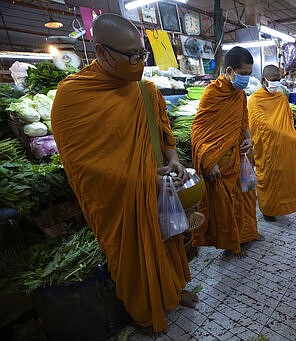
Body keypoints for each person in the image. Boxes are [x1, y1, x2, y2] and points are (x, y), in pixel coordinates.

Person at [51, 14, 196, 334]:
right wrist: (143, 179)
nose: (139, 63)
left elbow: (163, 134)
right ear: (101, 52)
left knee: (169, 240)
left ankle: (173, 291)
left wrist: (173, 160)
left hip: (157, 189)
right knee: (132, 256)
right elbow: (83, 167)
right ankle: (146, 312)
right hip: (119, 200)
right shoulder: (73, 97)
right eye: (131, 55)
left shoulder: (145, 90)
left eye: (142, 54)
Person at [191, 46, 262, 258]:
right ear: (230, 70)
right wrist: (207, 161)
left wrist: (249, 139)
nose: (246, 79)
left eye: (249, 74)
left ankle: (246, 235)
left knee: (245, 199)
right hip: (219, 162)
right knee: (225, 206)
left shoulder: (240, 95)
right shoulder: (212, 93)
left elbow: (243, 121)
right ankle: (231, 243)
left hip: (239, 158)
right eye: (243, 74)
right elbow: (198, 129)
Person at [247, 65, 296, 222]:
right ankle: (268, 209)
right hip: (267, 148)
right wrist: (280, 134)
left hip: (284, 148)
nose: (276, 83)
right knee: (270, 179)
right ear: (264, 80)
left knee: (284, 179)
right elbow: (259, 126)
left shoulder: (281, 98)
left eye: (278, 79)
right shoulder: (255, 101)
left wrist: (292, 137)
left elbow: (288, 121)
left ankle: (282, 206)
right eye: (273, 80)